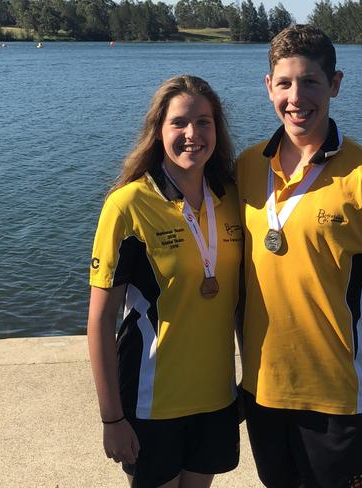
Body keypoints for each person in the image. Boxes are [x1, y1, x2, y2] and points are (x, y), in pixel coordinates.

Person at [235, 25, 362, 488]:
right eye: (285, 83)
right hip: (263, 390)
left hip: (341, 395)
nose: (297, 97)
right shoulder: (246, 166)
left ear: (335, 83)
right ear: (268, 86)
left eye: (311, 82)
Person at [87, 75, 242, 488]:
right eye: (180, 123)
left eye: (204, 122)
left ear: (217, 129)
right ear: (158, 130)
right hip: (149, 399)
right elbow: (100, 321)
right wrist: (112, 417)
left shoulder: (231, 198)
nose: (193, 134)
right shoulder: (128, 205)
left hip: (216, 397)